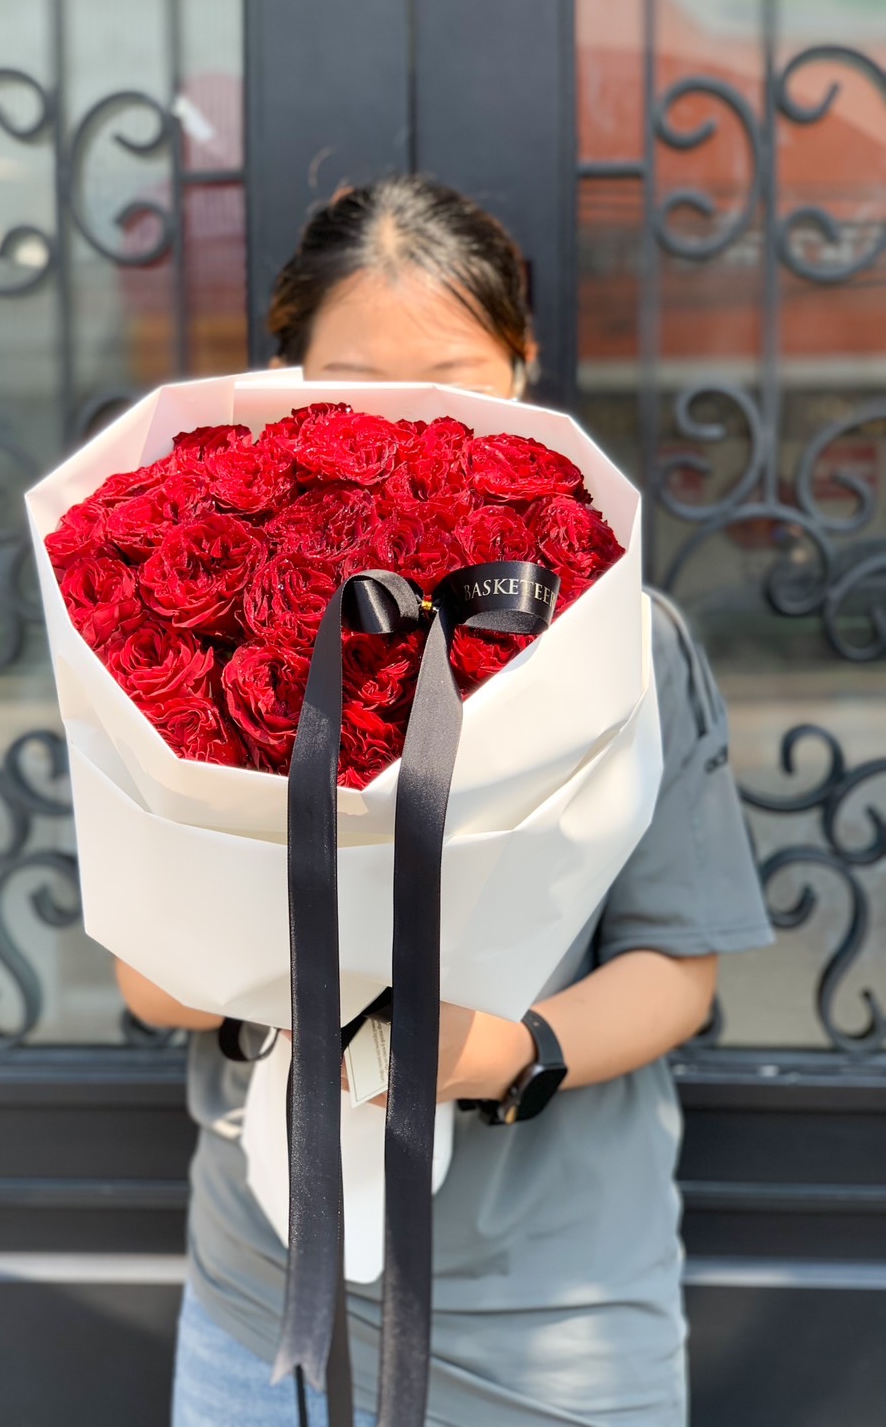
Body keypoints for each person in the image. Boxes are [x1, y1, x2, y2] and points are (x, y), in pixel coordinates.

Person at [117, 174, 774, 1427]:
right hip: (266, 1309)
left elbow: (675, 967)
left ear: (522, 371)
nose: (412, 417)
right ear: (287, 379)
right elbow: (148, 979)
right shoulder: (205, 624)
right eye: (360, 378)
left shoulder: (623, 637)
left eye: (454, 375)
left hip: (553, 1324)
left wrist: (506, 1054)